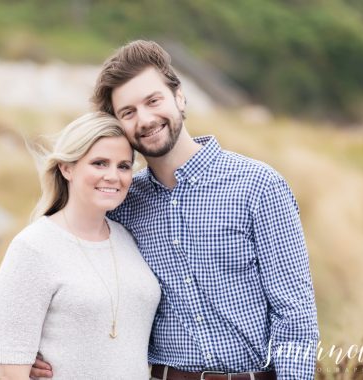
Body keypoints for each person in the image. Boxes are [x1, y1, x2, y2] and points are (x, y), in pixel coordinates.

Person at [31, 41, 319, 380]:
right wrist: (46, 349)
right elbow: (77, 284)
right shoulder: (120, 204)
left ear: (179, 97)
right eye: (128, 112)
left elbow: (295, 314)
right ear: (118, 124)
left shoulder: (258, 186)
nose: (146, 119)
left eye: (153, 101)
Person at [0, 112, 161, 380]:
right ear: (67, 168)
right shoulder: (33, 248)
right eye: (99, 163)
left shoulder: (129, 238)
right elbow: (10, 370)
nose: (113, 176)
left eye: (124, 166)